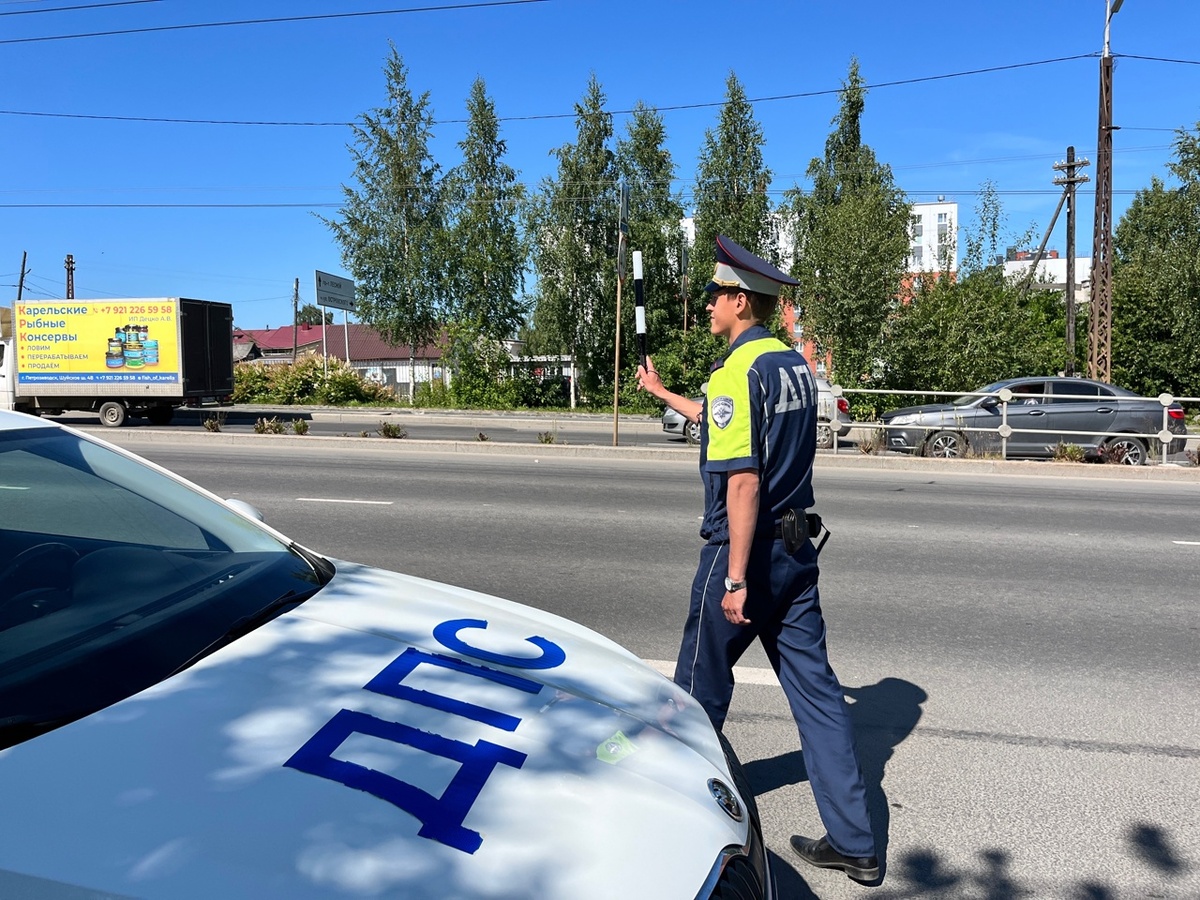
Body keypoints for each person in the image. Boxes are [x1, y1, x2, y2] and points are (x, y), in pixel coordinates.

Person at [636, 235, 879, 884]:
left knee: (697, 693)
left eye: (715, 294)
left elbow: (742, 480)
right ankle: (855, 842)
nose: (708, 304)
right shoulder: (792, 365)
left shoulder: (735, 373)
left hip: (744, 550)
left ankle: (673, 834)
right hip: (797, 550)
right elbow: (720, 423)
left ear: (740, 301)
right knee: (818, 695)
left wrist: (736, 577)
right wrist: (662, 392)